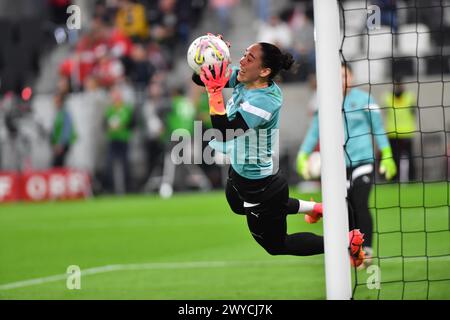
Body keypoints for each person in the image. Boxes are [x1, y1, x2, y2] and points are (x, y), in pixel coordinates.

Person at [192, 39, 365, 266]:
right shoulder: (246, 78)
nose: (242, 61)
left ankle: (344, 242)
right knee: (236, 205)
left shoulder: (265, 100)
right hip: (242, 172)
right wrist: (213, 53)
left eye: (249, 59)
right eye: (244, 54)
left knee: (277, 245)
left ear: (264, 71)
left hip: (259, 186)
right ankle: (315, 208)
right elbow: (200, 78)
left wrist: (214, 92)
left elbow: (225, 132)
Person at [296, 64, 397, 267]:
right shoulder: (325, 102)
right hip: (337, 167)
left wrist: (387, 154)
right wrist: (303, 155)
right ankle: (354, 249)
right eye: (338, 75)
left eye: (345, 75)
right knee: (345, 209)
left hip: (363, 162)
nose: (342, 79)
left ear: (352, 76)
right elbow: (314, 131)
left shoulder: (364, 100)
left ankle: (366, 249)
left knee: (360, 203)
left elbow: (378, 129)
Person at [382, 77, 416, 182]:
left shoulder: (410, 96)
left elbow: (413, 112)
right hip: (392, 133)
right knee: (394, 158)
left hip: (407, 133)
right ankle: (393, 179)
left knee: (410, 158)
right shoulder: (387, 97)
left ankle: (412, 180)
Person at [50, 93, 77, 167]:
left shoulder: (65, 113)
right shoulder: (57, 113)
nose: (55, 103)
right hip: (56, 144)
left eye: (57, 101)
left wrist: (61, 144)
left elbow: (67, 130)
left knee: (58, 165)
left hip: (62, 144)